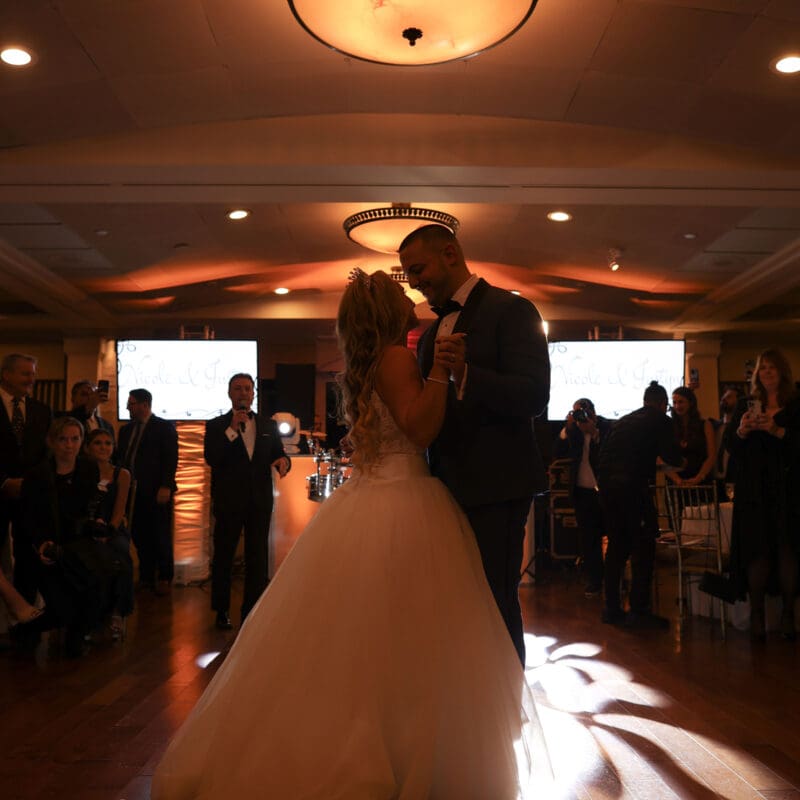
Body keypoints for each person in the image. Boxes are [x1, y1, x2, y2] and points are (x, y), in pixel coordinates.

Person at [151, 269, 549, 799]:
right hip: (406, 498)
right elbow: (420, 427)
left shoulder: (369, 362)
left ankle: (380, 735)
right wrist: (441, 376)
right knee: (412, 632)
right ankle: (402, 744)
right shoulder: (399, 357)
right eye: (399, 291)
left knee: (369, 631)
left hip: (374, 493)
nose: (411, 296)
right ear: (387, 309)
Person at [399, 224, 550, 665]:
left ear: (449, 253)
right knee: (457, 603)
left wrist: (467, 374)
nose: (413, 281)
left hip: (497, 487)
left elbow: (534, 396)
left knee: (495, 599)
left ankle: (506, 714)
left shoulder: (513, 310)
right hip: (444, 490)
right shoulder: (429, 333)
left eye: (417, 269)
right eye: (408, 274)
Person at [724, 349, 800, 641]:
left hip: (787, 489)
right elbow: (730, 446)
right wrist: (742, 430)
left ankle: (788, 615)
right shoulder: (746, 403)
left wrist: (777, 431)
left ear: (782, 372)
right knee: (757, 549)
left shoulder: (795, 405)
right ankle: (756, 615)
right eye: (762, 368)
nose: (766, 372)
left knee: (786, 549)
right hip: (753, 489)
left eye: (771, 368)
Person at [204, 373, 291, 630]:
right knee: (224, 557)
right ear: (230, 394)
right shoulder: (216, 425)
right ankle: (221, 610)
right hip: (229, 501)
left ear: (253, 394)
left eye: (247, 388)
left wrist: (284, 462)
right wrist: (232, 429)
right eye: (237, 388)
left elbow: (279, 453)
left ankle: (252, 610)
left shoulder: (267, 425)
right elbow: (213, 457)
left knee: (257, 557)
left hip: (259, 502)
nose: (243, 393)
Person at [597, 381, 685, 629]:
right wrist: (683, 459)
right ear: (662, 404)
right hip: (632, 486)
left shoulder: (623, 420)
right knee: (643, 545)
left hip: (607, 486)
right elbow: (672, 457)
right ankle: (639, 610)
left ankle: (611, 608)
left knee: (616, 546)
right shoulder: (661, 420)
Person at [18, 417, 104, 657]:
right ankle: (23, 630)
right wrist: (41, 544)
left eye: (75, 439)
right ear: (52, 442)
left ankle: (75, 639)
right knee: (61, 607)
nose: (69, 445)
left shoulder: (88, 469)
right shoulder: (38, 475)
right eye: (63, 439)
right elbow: (28, 516)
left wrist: (96, 522)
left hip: (78, 546)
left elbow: (91, 507)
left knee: (94, 588)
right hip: (46, 547)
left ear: (82, 441)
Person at [0, 353, 53, 604]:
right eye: (25, 373)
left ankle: (26, 619)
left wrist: (31, 484)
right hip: (0, 489)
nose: (31, 379)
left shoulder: (42, 411)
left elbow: (47, 454)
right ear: (6, 375)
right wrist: (4, 482)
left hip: (30, 495)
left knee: (28, 556)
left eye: (33, 373)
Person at [116, 389, 178, 595]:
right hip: (132, 492)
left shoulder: (163, 427)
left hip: (156, 490)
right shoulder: (125, 430)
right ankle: (146, 576)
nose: (127, 407)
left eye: (131, 404)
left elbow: (171, 459)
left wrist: (166, 486)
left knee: (160, 534)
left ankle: (165, 577)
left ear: (144, 404)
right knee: (139, 535)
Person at [83, 428, 135, 637]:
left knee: (121, 555)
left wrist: (109, 531)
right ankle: (88, 615)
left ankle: (117, 612)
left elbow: (119, 509)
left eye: (107, 443)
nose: (103, 447)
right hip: (86, 528)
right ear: (87, 447)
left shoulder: (121, 474)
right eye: (98, 443)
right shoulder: (81, 471)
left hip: (113, 528)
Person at [560, 398, 613, 598]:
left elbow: (611, 453)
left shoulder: (606, 426)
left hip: (604, 492)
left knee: (613, 534)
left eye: (582, 411)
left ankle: (614, 579)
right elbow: (558, 451)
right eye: (575, 412)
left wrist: (594, 433)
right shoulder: (573, 432)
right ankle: (594, 581)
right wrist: (568, 428)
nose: (580, 415)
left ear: (593, 411)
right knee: (588, 540)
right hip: (582, 492)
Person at [667, 386, 715, 486]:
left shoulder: (705, 425)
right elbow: (663, 458)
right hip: (677, 483)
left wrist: (699, 478)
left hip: (701, 481)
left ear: (691, 402)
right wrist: (676, 479)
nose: (677, 406)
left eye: (681, 402)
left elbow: (711, 456)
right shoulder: (669, 426)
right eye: (674, 402)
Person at [59, 380, 116, 445]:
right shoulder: (63, 419)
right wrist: (90, 406)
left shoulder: (107, 426)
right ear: (73, 398)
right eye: (84, 394)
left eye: (92, 394)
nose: (90, 398)